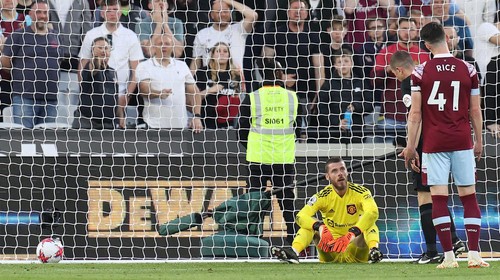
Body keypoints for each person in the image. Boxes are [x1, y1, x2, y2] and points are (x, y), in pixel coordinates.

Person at [400, 22, 488, 269]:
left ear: (427, 45)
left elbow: (415, 114)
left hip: (434, 143)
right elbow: (475, 111)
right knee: (469, 198)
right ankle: (474, 254)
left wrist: (410, 147)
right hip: (461, 141)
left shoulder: (420, 72)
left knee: (438, 199)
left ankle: (449, 257)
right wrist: (479, 140)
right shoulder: (468, 69)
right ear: (446, 39)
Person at [389, 50, 465, 264]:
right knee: (437, 195)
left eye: (395, 74)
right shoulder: (429, 78)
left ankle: (432, 252)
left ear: (399, 69)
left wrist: (412, 148)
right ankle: (455, 240)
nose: (396, 78)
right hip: (444, 142)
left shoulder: (409, 83)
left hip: (425, 147)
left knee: (425, 198)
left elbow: (416, 116)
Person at [271, 157, 383, 264]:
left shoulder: (361, 192)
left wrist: (352, 233)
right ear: (327, 176)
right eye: (334, 171)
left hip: (355, 249)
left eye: (342, 169)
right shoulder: (323, 196)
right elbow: (300, 216)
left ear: (347, 172)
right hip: (330, 248)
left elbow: (373, 212)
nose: (340, 173)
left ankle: (373, 251)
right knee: (310, 224)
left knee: (369, 222)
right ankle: (293, 252)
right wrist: (320, 226)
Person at [238, 57, 299, 246]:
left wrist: (255, 147)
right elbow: (296, 128)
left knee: (255, 203)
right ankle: (293, 242)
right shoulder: (292, 97)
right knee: (287, 203)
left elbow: (241, 131)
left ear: (260, 75)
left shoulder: (252, 97)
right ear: (280, 75)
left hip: (258, 158)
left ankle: (256, 242)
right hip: (283, 159)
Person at [79, 0, 144, 128]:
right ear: (102, 13)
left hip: (120, 96)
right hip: (93, 96)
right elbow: (82, 66)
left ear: (120, 13)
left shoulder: (131, 36)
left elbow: (136, 72)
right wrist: (86, 92)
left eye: (115, 10)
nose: (112, 14)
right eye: (109, 10)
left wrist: (126, 97)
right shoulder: (91, 35)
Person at [1, 0, 60, 128]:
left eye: (45, 12)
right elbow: (5, 61)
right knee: (24, 139)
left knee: (48, 140)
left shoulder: (55, 36)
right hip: (24, 98)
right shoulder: (17, 36)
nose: (42, 16)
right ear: (30, 14)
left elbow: (58, 60)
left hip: (50, 99)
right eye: (38, 12)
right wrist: (19, 72)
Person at [135, 33, 203, 131]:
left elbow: (194, 92)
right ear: (154, 47)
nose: (164, 46)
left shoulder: (182, 65)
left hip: (180, 125)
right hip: (154, 126)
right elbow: (144, 90)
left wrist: (197, 116)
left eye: (167, 44)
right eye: (160, 44)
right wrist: (158, 94)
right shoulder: (144, 66)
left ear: (172, 46)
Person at [190, 0, 258, 73]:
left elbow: (253, 15)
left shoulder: (238, 29)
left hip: (235, 80)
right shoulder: (202, 34)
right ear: (212, 15)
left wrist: (229, 1)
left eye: (225, 11)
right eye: (218, 12)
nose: (223, 14)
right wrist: (190, 82)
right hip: (211, 80)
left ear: (230, 13)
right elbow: (195, 62)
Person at [195, 42, 244, 129]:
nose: (222, 53)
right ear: (212, 55)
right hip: (205, 122)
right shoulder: (202, 72)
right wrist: (210, 90)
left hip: (227, 124)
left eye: (225, 51)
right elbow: (193, 99)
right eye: (218, 51)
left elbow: (237, 100)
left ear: (229, 55)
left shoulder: (236, 75)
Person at [72, 36, 118, 129]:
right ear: (92, 51)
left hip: (108, 125)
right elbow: (94, 68)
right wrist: (97, 60)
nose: (103, 51)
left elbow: (115, 98)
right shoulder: (89, 67)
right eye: (100, 48)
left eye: (106, 48)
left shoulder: (113, 72)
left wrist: (121, 117)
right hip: (87, 124)